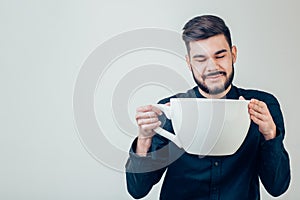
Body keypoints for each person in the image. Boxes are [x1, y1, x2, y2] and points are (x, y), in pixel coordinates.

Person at [125, 15, 291, 200]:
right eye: (200, 59)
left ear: (233, 54)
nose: (212, 66)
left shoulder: (263, 106)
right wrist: (144, 140)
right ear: (189, 63)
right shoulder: (170, 110)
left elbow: (278, 187)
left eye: (220, 55)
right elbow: (137, 190)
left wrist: (270, 134)